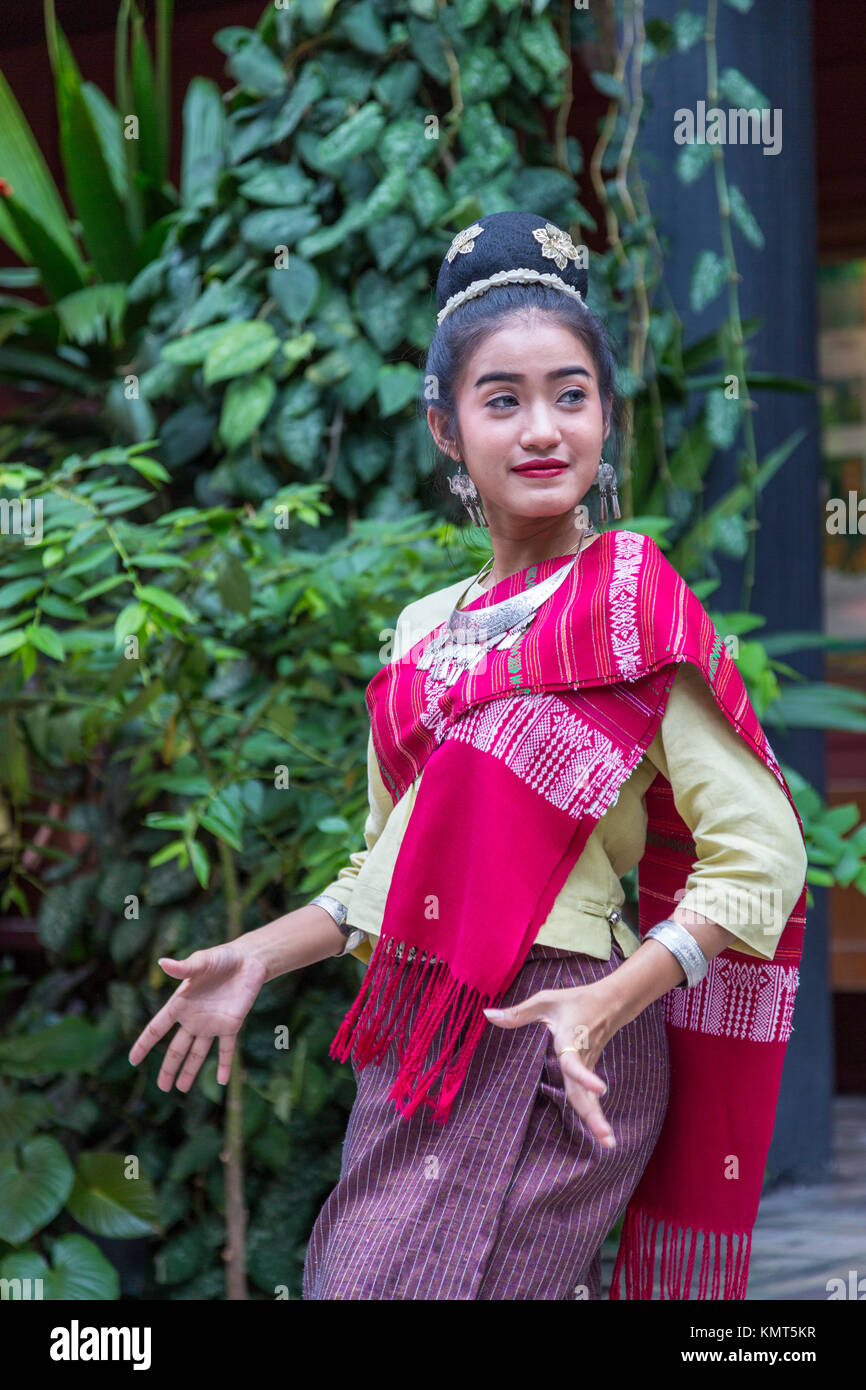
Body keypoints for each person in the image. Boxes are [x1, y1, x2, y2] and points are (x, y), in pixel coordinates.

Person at [128, 211, 809, 1301]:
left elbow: (762, 856)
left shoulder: (630, 598)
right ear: (446, 428)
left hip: (561, 1030)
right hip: (423, 1033)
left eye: (569, 395)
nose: (542, 429)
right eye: (503, 399)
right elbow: (381, 875)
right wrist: (258, 952)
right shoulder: (420, 631)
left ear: (601, 416)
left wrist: (606, 1002)